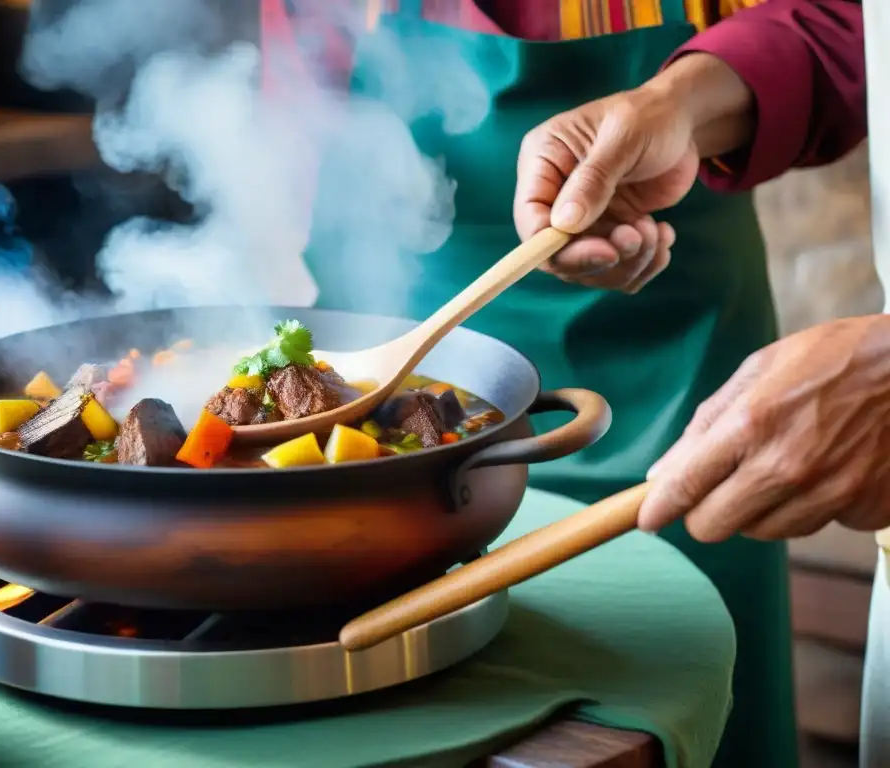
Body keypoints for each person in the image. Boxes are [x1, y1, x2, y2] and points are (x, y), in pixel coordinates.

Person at [262, 1, 866, 765]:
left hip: (670, 336)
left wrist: (675, 105)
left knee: (684, 677)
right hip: (391, 284)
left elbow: (849, 22)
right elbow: (300, 67)